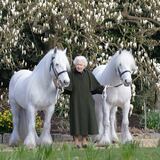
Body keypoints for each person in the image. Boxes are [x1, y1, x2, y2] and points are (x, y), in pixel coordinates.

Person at [64, 55, 104, 148]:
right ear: (75, 65)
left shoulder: (88, 74)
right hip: (75, 101)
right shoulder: (71, 74)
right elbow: (66, 89)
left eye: (81, 65)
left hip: (87, 102)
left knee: (87, 120)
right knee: (76, 120)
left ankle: (85, 140)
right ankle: (77, 141)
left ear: (84, 65)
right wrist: (60, 87)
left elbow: (95, 87)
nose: (79, 66)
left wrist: (104, 88)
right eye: (77, 64)